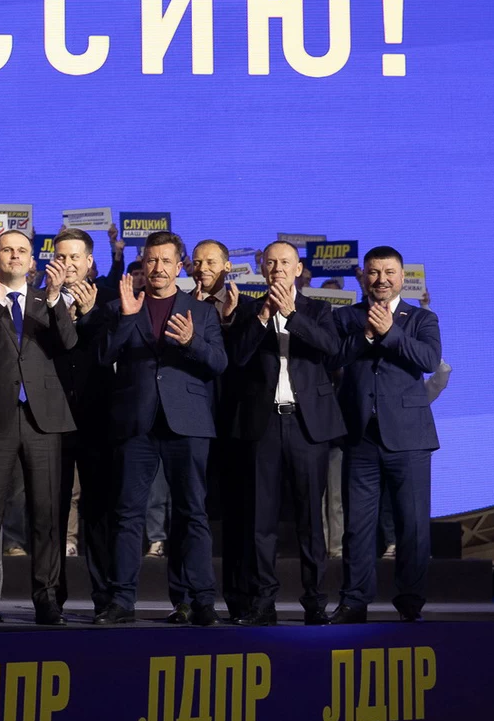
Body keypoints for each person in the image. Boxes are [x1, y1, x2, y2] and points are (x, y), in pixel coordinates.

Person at [96, 231, 228, 626]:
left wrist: (191, 342)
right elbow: (104, 356)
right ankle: (121, 601)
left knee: (193, 513)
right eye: (152, 260)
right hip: (136, 422)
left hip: (187, 422)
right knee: (128, 514)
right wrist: (126, 317)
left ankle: (200, 601)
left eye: (166, 261)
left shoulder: (201, 311)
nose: (157, 268)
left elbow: (219, 363)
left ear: (179, 266)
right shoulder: (122, 306)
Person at [224, 241, 343, 626]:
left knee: (311, 520)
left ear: (298, 268)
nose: (277, 268)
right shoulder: (248, 310)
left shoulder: (318, 309)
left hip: (308, 427)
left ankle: (315, 602)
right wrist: (263, 317)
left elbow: (331, 350)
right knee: (261, 520)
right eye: (271, 262)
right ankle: (263, 602)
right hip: (263, 426)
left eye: (284, 262)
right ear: (262, 268)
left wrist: (291, 315)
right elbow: (236, 359)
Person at [0, 230, 79, 626]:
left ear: (33, 261)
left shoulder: (48, 299)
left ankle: (47, 598)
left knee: (47, 512)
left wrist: (54, 298)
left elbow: (67, 343)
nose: (14, 256)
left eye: (21, 251)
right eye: (6, 250)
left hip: (43, 418)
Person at [331, 246, 442, 623]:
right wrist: (365, 336)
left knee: (413, 525)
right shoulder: (345, 317)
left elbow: (429, 360)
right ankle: (354, 600)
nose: (381, 279)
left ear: (401, 276)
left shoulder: (422, 318)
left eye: (389, 272)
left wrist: (390, 333)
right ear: (363, 276)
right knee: (357, 526)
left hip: (409, 438)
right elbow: (331, 358)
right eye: (374, 272)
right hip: (360, 436)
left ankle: (410, 600)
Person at [45, 228, 111, 616]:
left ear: (89, 261)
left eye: (75, 258)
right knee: (52, 511)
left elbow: (108, 353)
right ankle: (52, 596)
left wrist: (89, 315)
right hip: (51, 421)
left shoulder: (111, 302)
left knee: (98, 511)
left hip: (96, 421)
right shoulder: (38, 300)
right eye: (61, 257)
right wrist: (55, 301)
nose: (68, 264)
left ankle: (105, 598)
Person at [189, 238, 254, 622]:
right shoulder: (180, 304)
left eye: (211, 262)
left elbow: (241, 360)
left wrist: (227, 322)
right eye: (197, 262)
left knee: (237, 516)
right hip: (190, 422)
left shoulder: (248, 307)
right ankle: (189, 600)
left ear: (227, 266)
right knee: (189, 512)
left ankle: (238, 599)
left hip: (234, 425)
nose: (203, 269)